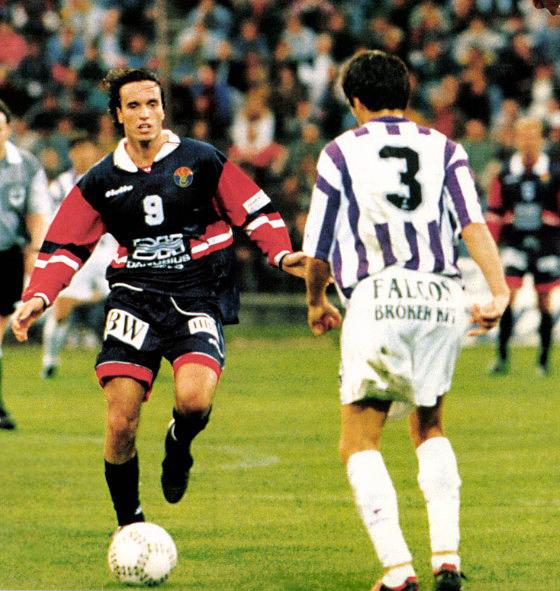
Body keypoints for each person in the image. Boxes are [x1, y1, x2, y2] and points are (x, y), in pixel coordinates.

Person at [12, 68, 306, 528]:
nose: (145, 114)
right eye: (134, 106)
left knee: (194, 401)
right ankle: (129, 525)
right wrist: (38, 297)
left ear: (163, 110)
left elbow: (254, 209)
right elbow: (63, 246)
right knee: (120, 420)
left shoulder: (200, 159)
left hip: (196, 294)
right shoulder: (100, 180)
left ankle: (179, 444)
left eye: (152, 104)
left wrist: (282, 253)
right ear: (118, 115)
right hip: (136, 298)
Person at [303, 50, 509, 591]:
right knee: (430, 425)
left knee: (359, 439)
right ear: (407, 95)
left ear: (355, 101)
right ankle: (447, 557)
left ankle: (398, 570)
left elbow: (318, 247)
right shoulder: (445, 148)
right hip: (441, 295)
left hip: (378, 295)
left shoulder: (340, 152)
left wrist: (316, 300)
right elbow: (472, 226)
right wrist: (498, 290)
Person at [486, 117, 560, 376]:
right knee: (509, 295)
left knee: (544, 299)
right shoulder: (505, 172)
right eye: (523, 136)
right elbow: (494, 211)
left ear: (541, 139)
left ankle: (543, 361)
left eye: (533, 136)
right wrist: (492, 244)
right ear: (516, 139)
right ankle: (501, 357)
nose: (528, 141)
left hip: (546, 244)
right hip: (514, 242)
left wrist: (550, 220)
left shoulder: (554, 172)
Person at [41, 136, 118, 378]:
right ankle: (50, 360)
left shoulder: (110, 179)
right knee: (62, 307)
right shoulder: (60, 186)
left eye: (87, 149)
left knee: (128, 303)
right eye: (78, 150)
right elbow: (50, 219)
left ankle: (132, 359)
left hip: (108, 251)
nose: (83, 154)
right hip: (78, 253)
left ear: (95, 151)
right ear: (71, 154)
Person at [0, 99, 51, 430]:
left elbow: (37, 211)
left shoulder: (26, 165)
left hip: (7, 255)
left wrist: (36, 250)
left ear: (9, 128)